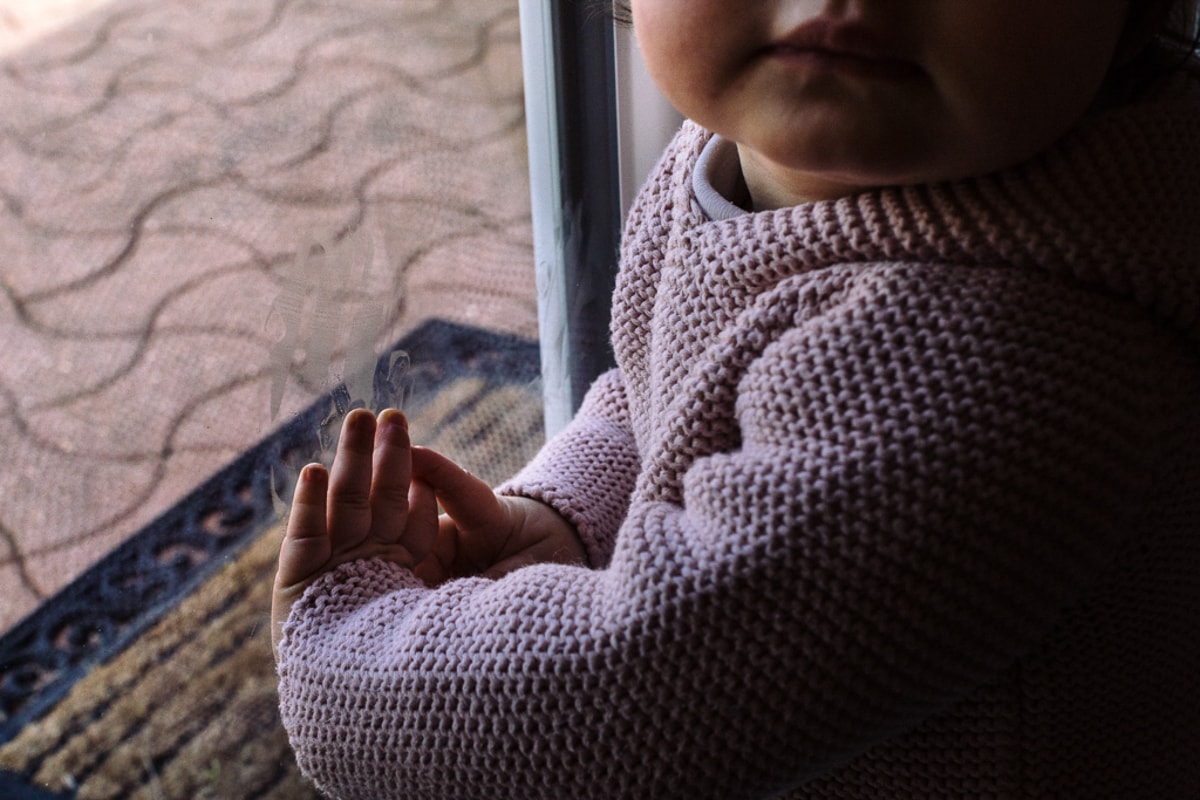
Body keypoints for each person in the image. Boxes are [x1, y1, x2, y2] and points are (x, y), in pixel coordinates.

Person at [273, 1, 1200, 796]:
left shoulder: (992, 363)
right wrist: (567, 520)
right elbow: (659, 391)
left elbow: (629, 702)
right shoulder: (742, 159)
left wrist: (348, 651)